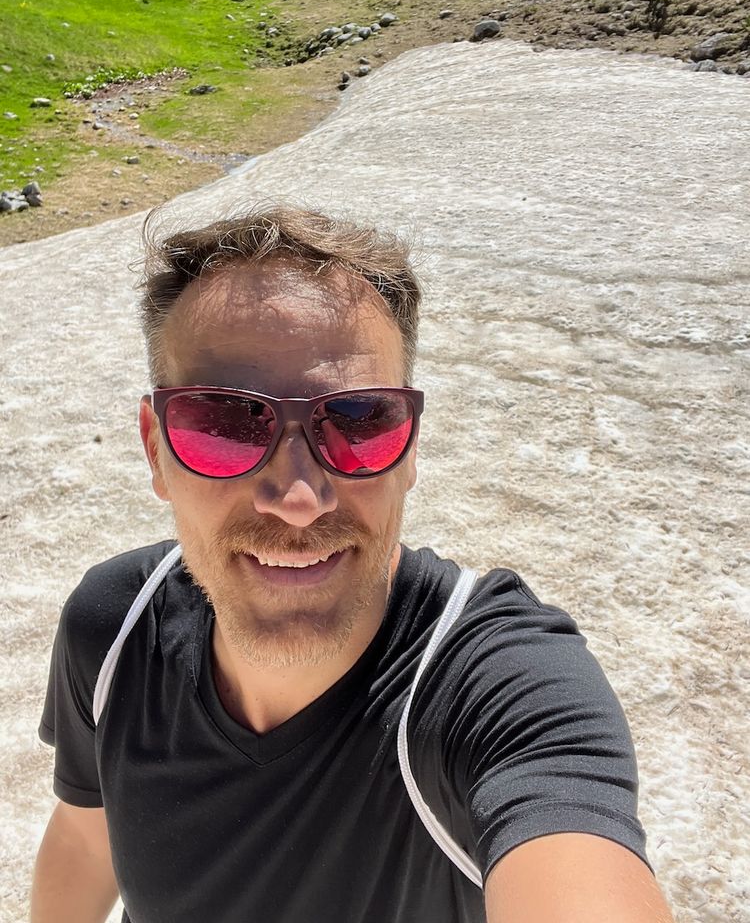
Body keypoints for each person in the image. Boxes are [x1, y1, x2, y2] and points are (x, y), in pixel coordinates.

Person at [32, 206, 675, 923]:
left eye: (362, 418)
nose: (298, 498)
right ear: (155, 449)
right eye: (221, 420)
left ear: (411, 446)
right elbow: (89, 838)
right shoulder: (116, 629)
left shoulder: (501, 688)